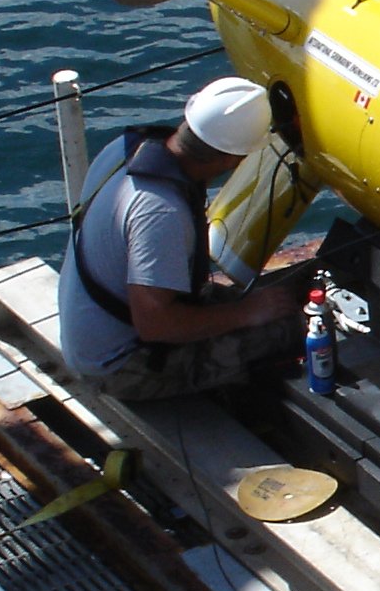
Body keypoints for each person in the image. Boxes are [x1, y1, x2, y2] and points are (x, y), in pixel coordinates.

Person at [57, 76, 304, 401]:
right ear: (232, 158)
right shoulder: (162, 213)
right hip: (121, 366)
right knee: (292, 327)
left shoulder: (123, 149)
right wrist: (247, 314)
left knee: (272, 301)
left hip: (97, 330)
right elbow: (156, 325)